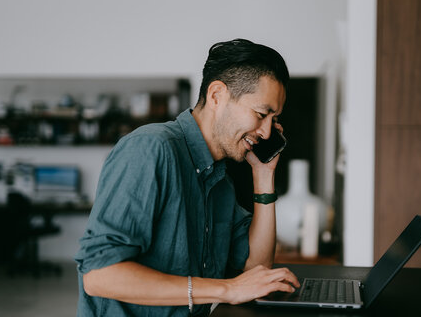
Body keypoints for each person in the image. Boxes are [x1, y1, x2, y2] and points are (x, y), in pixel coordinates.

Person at [74, 38, 300, 317]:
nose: (267, 132)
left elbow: (256, 270)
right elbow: (99, 275)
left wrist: (264, 176)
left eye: (273, 119)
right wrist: (225, 289)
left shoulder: (220, 180)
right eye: (261, 114)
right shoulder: (150, 149)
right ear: (217, 95)